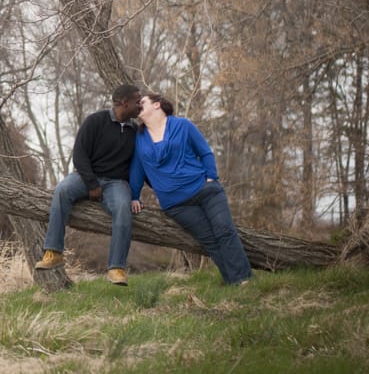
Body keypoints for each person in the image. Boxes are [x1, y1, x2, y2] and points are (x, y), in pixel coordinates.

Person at [129, 93, 253, 285]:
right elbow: (137, 169)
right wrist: (134, 196)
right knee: (210, 240)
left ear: (157, 105)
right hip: (176, 205)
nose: (138, 106)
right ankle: (233, 281)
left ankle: (243, 281)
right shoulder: (139, 137)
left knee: (225, 230)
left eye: (142, 102)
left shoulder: (182, 125)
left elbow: (204, 151)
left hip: (205, 190)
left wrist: (211, 177)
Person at [35, 84, 142, 285]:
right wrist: (92, 183)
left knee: (122, 207)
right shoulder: (95, 121)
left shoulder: (135, 132)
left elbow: (140, 165)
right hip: (86, 176)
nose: (140, 105)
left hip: (116, 183)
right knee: (62, 190)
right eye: (137, 101)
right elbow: (79, 154)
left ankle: (116, 268)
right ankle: (53, 252)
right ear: (124, 103)